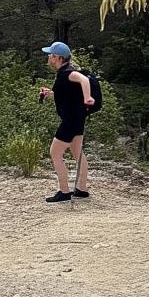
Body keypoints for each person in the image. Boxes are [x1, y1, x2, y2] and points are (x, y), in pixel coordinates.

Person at [38, 41, 95, 203]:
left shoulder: (68, 73)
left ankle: (64, 191)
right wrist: (50, 94)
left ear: (57, 58)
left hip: (70, 121)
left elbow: (84, 80)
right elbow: (66, 94)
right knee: (77, 153)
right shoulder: (65, 73)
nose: (48, 57)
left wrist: (87, 97)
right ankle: (82, 189)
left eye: (50, 55)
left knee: (55, 153)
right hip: (77, 119)